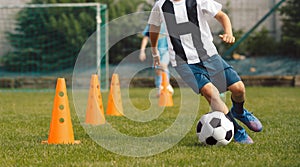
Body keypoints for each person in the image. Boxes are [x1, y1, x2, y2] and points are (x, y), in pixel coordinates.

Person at [148, 0, 262, 144]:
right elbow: (154, 27)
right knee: (210, 93)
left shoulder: (198, 1)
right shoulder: (161, 5)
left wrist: (228, 32)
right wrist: (154, 52)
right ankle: (237, 131)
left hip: (209, 56)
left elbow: (222, 16)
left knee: (238, 89)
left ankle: (239, 112)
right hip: (183, 62)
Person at [139, 24, 173, 97]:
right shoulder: (151, 25)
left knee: (163, 65)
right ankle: (159, 87)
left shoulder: (167, 22)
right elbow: (145, 38)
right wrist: (142, 51)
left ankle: (166, 86)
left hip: (167, 50)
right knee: (157, 69)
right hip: (156, 50)